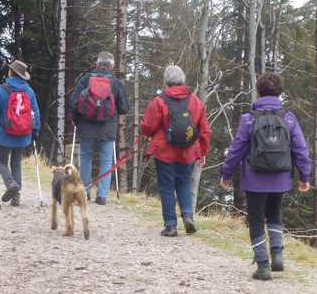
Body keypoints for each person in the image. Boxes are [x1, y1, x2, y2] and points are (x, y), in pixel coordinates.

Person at [220, 72, 311, 281]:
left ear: (258, 93)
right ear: (280, 94)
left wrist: (226, 173)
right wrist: (305, 176)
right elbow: (301, 150)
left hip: (254, 179)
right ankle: (277, 254)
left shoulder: (249, 119)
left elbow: (236, 150)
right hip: (281, 177)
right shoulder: (289, 118)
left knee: (256, 218)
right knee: (274, 212)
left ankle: (263, 266)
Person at [140, 65, 211, 237]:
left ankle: (171, 225)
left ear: (166, 81)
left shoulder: (159, 101)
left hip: (164, 150)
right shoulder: (195, 101)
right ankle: (187, 216)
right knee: (184, 182)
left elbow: (148, 127)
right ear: (183, 80)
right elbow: (204, 129)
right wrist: (202, 152)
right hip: (188, 150)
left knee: (166, 186)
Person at [69, 51, 130, 205]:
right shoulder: (116, 84)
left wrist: (75, 120)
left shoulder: (85, 80)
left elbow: (74, 103)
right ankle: (102, 196)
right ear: (112, 66)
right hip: (108, 126)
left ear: (96, 64)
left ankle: (85, 191)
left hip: (86, 124)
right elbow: (124, 108)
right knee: (106, 160)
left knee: (85, 157)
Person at [0, 60, 41, 207]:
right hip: (23, 133)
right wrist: (35, 131)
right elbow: (35, 113)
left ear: (11, 72)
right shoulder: (29, 91)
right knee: (16, 163)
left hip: (6, 133)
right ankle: (16, 197)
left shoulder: (2, 90)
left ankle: (10, 184)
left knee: (1, 162)